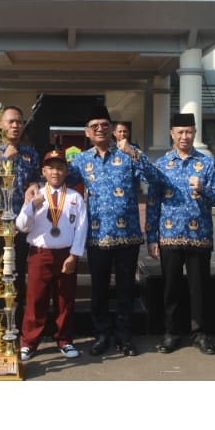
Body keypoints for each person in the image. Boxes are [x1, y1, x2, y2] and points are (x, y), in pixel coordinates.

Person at [66, 106, 156, 356]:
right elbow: (59, 182)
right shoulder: (81, 160)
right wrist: (34, 186)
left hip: (127, 235)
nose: (99, 129)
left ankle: (125, 337)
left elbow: (154, 177)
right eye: (94, 126)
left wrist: (135, 153)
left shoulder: (128, 154)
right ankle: (102, 334)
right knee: (99, 290)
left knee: (126, 290)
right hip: (96, 236)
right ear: (87, 131)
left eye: (104, 125)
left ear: (112, 128)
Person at [146, 112, 215, 355]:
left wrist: (204, 189)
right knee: (171, 289)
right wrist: (151, 237)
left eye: (189, 132)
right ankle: (172, 333)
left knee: (199, 289)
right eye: (180, 132)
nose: (184, 136)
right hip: (169, 235)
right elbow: (152, 202)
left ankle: (200, 334)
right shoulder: (162, 165)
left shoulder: (206, 163)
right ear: (172, 134)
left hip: (199, 236)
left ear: (195, 134)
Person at [15, 148, 88, 362]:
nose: (55, 172)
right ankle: (28, 342)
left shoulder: (75, 197)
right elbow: (21, 226)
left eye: (60, 168)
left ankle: (65, 340)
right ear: (43, 172)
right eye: (51, 168)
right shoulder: (35, 195)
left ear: (66, 171)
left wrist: (74, 256)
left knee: (64, 299)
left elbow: (81, 228)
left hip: (65, 254)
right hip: (40, 254)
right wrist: (31, 207)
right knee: (35, 299)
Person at [0, 105, 42, 330]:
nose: (15, 126)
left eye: (19, 122)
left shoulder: (30, 153)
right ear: (1, 124)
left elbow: (36, 180)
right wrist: (3, 159)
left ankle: (16, 329)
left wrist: (34, 186)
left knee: (18, 278)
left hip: (22, 226)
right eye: (11, 121)